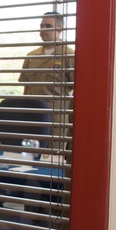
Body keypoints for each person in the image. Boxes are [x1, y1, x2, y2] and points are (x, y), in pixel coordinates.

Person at [18, 11, 74, 152]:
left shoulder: (68, 54)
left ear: (60, 28)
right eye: (41, 26)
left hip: (55, 117)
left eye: (48, 26)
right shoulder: (32, 56)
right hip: (32, 115)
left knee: (53, 158)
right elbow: (26, 87)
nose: (43, 30)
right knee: (30, 155)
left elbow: (77, 88)